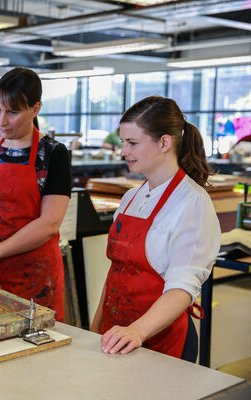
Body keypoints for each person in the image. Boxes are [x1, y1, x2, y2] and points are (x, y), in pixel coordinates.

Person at [90, 96, 220, 362]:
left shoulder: (192, 203)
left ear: (164, 142)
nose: (123, 151)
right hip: (116, 333)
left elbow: (182, 289)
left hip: (159, 340)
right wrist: (96, 326)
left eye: (132, 143)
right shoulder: (130, 198)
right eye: (123, 142)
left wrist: (137, 331)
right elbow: (117, 270)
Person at [0, 67, 72, 321]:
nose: (2, 121)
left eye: (12, 112)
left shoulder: (53, 154)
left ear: (35, 109)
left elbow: (49, 223)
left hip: (36, 276)